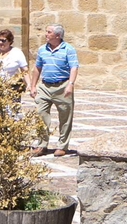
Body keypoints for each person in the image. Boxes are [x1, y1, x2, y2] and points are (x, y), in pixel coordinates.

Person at [27, 22, 79, 157]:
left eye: (48, 32)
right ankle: (42, 144)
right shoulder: (42, 49)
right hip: (45, 86)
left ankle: (62, 146)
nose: (45, 34)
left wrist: (70, 84)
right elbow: (37, 68)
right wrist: (33, 86)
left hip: (62, 86)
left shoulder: (68, 49)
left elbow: (74, 67)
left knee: (65, 117)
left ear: (57, 35)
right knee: (40, 114)